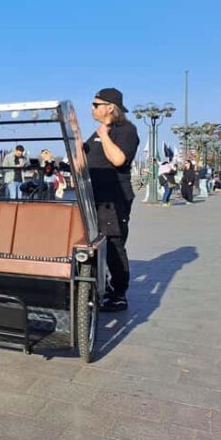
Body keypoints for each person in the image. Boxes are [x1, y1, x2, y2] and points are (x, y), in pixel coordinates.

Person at [85, 88, 139, 312]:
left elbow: (118, 159)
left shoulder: (125, 130)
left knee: (113, 245)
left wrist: (105, 135)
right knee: (93, 246)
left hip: (113, 199)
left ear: (109, 107)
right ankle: (100, 287)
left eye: (95, 104)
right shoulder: (97, 132)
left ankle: (118, 294)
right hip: (93, 198)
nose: (92, 108)